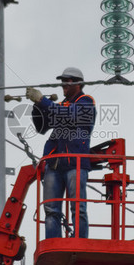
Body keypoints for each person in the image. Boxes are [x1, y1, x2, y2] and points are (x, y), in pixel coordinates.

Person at [26, 67, 96, 239]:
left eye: (68, 81)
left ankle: (79, 242)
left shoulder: (86, 102)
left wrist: (43, 101)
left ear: (78, 84)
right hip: (55, 163)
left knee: (77, 208)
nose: (64, 84)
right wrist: (38, 106)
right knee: (51, 209)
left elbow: (70, 115)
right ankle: (53, 242)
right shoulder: (62, 106)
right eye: (63, 81)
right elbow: (42, 127)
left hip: (75, 163)